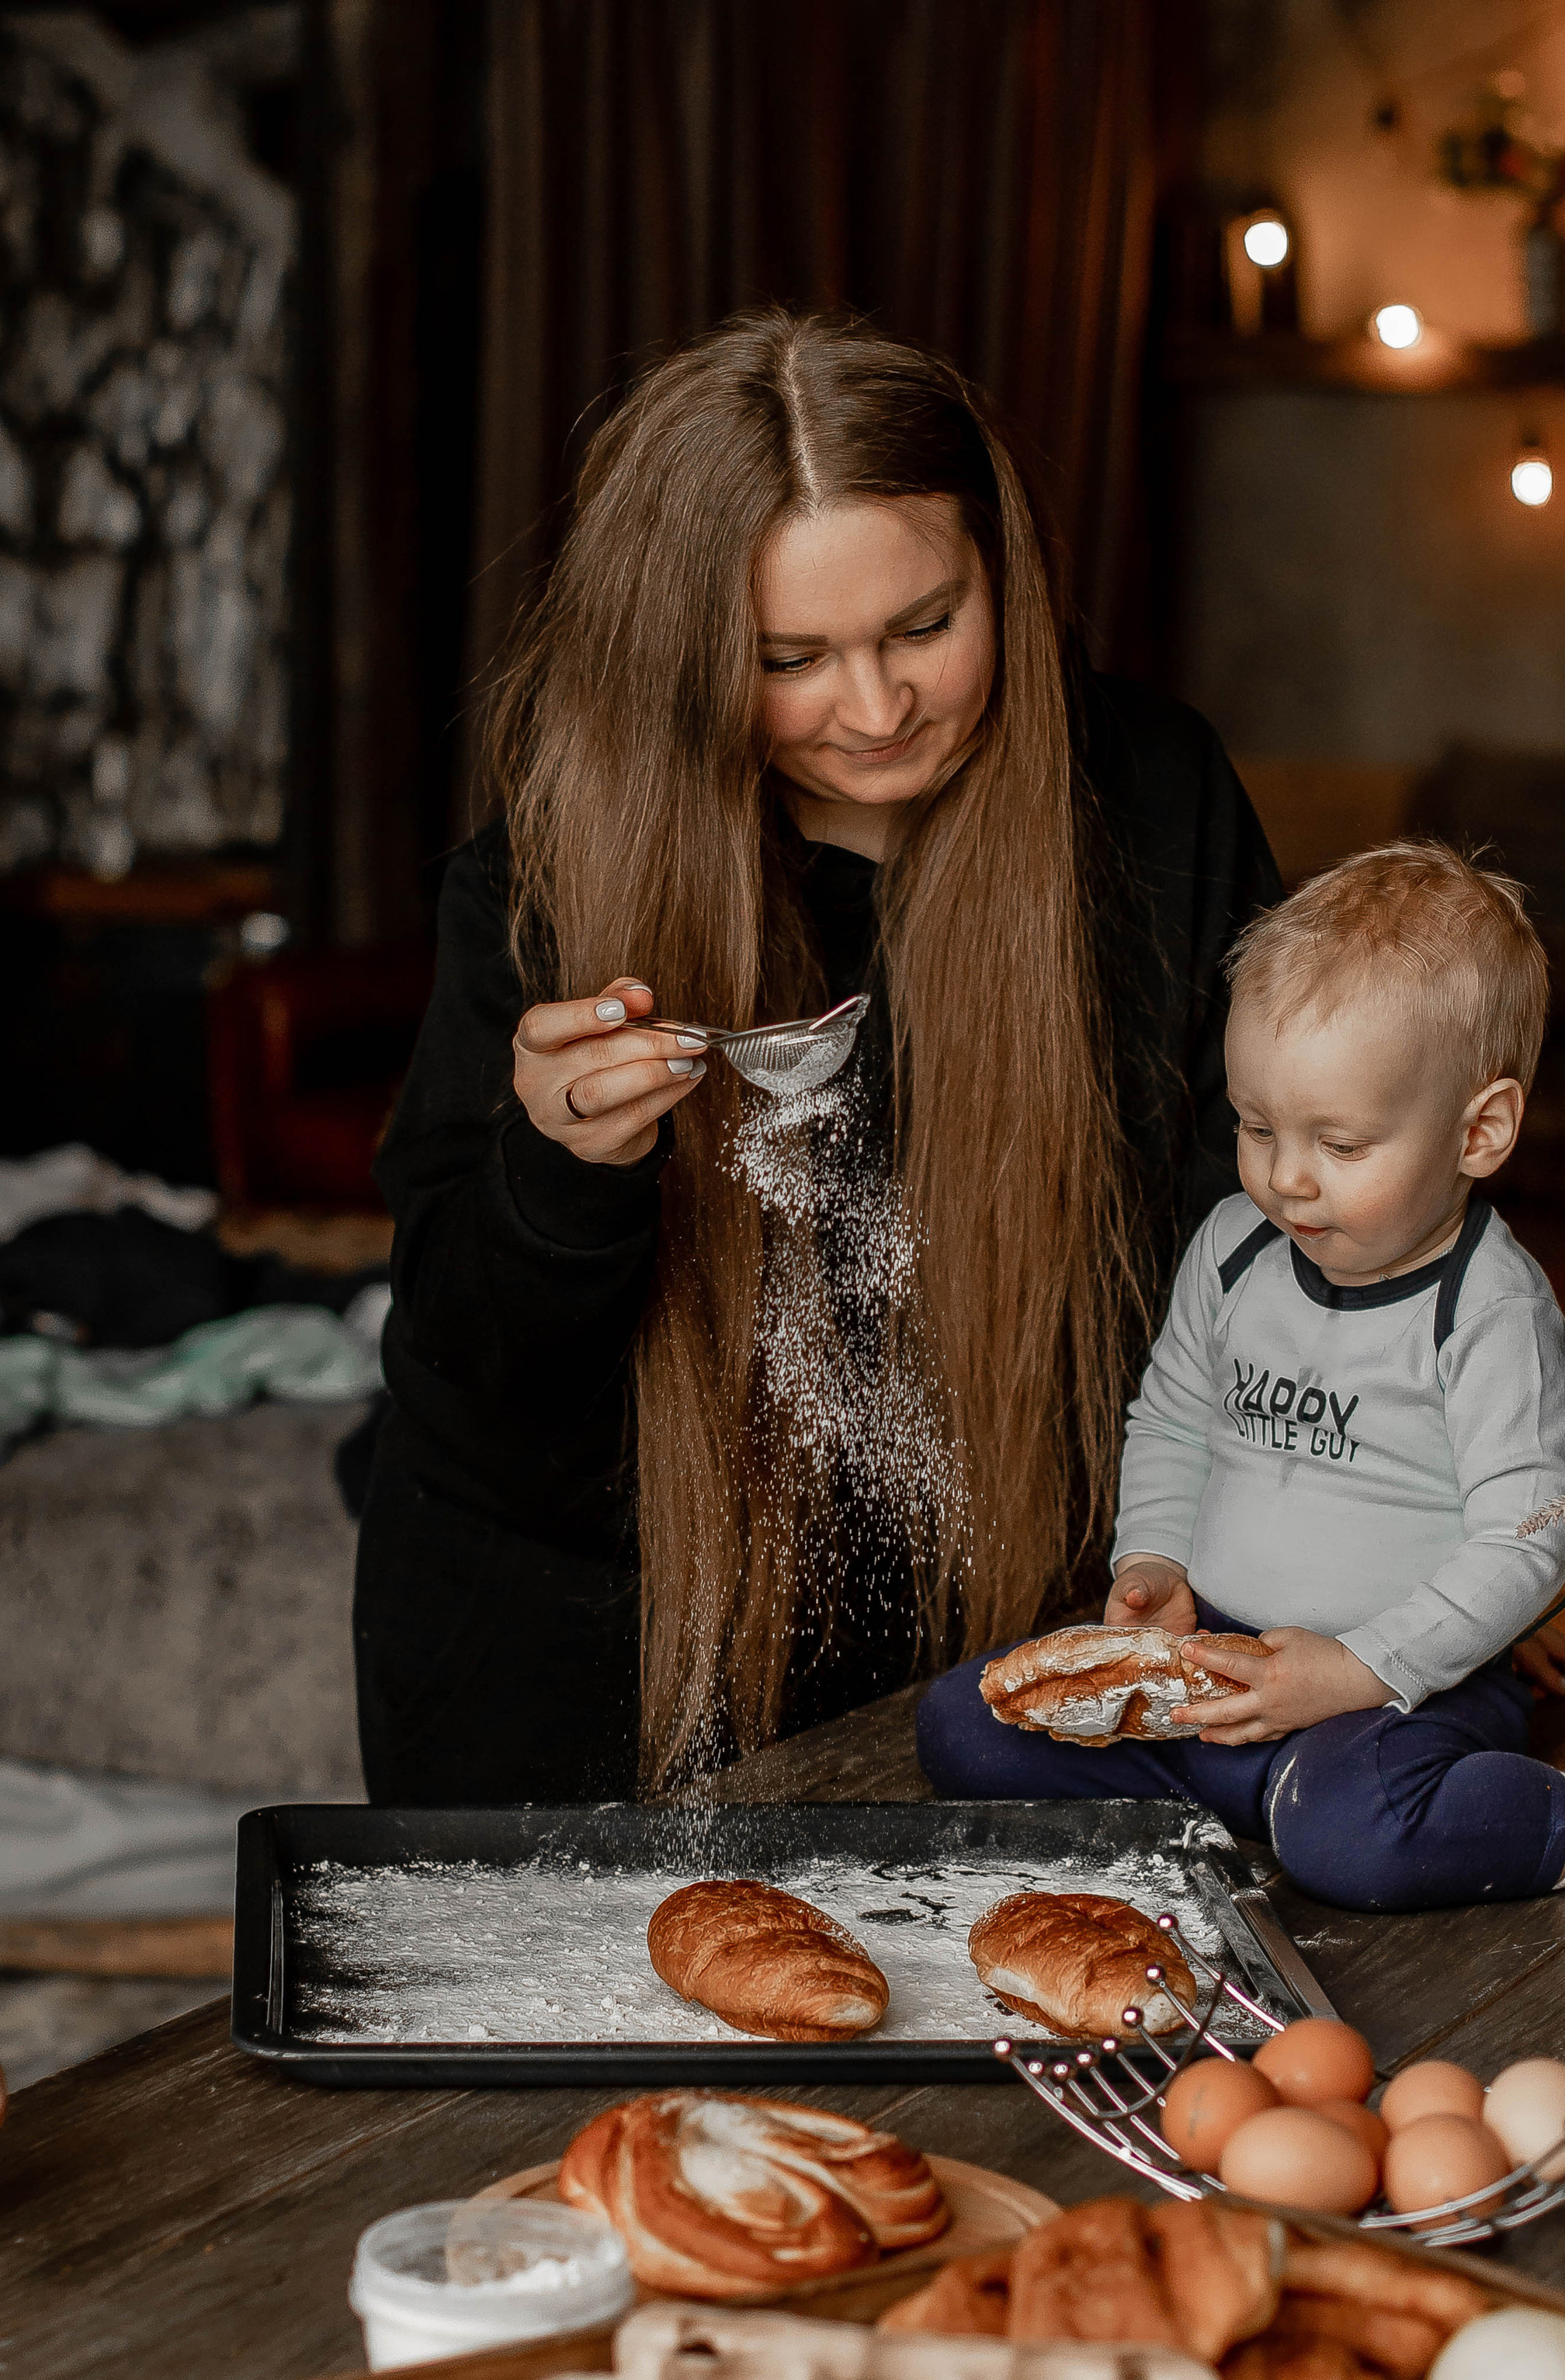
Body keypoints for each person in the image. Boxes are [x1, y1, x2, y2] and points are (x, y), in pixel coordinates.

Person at [354, 311, 1282, 1804]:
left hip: (999, 1655)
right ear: (686, 657)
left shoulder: (1156, 802)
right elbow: (466, 1389)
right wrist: (558, 1177)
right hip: (585, 1666)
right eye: (790, 659)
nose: (877, 709)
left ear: (1003, 570)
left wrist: (1404, 1570)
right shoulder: (544, 886)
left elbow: (1261, 1245)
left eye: (926, 626)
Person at [915, 843, 1565, 1909]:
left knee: (1357, 1833)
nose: (1286, 1178)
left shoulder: (1486, 1310)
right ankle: (1243, 1799)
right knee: (966, 1724)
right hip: (1217, 1660)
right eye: (1257, 1128)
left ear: (1479, 1133)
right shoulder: (1233, 1248)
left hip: (1397, 1693)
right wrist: (1154, 1562)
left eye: (1340, 1146)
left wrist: (1358, 1670)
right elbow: (1173, 1422)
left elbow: (1524, 1545)